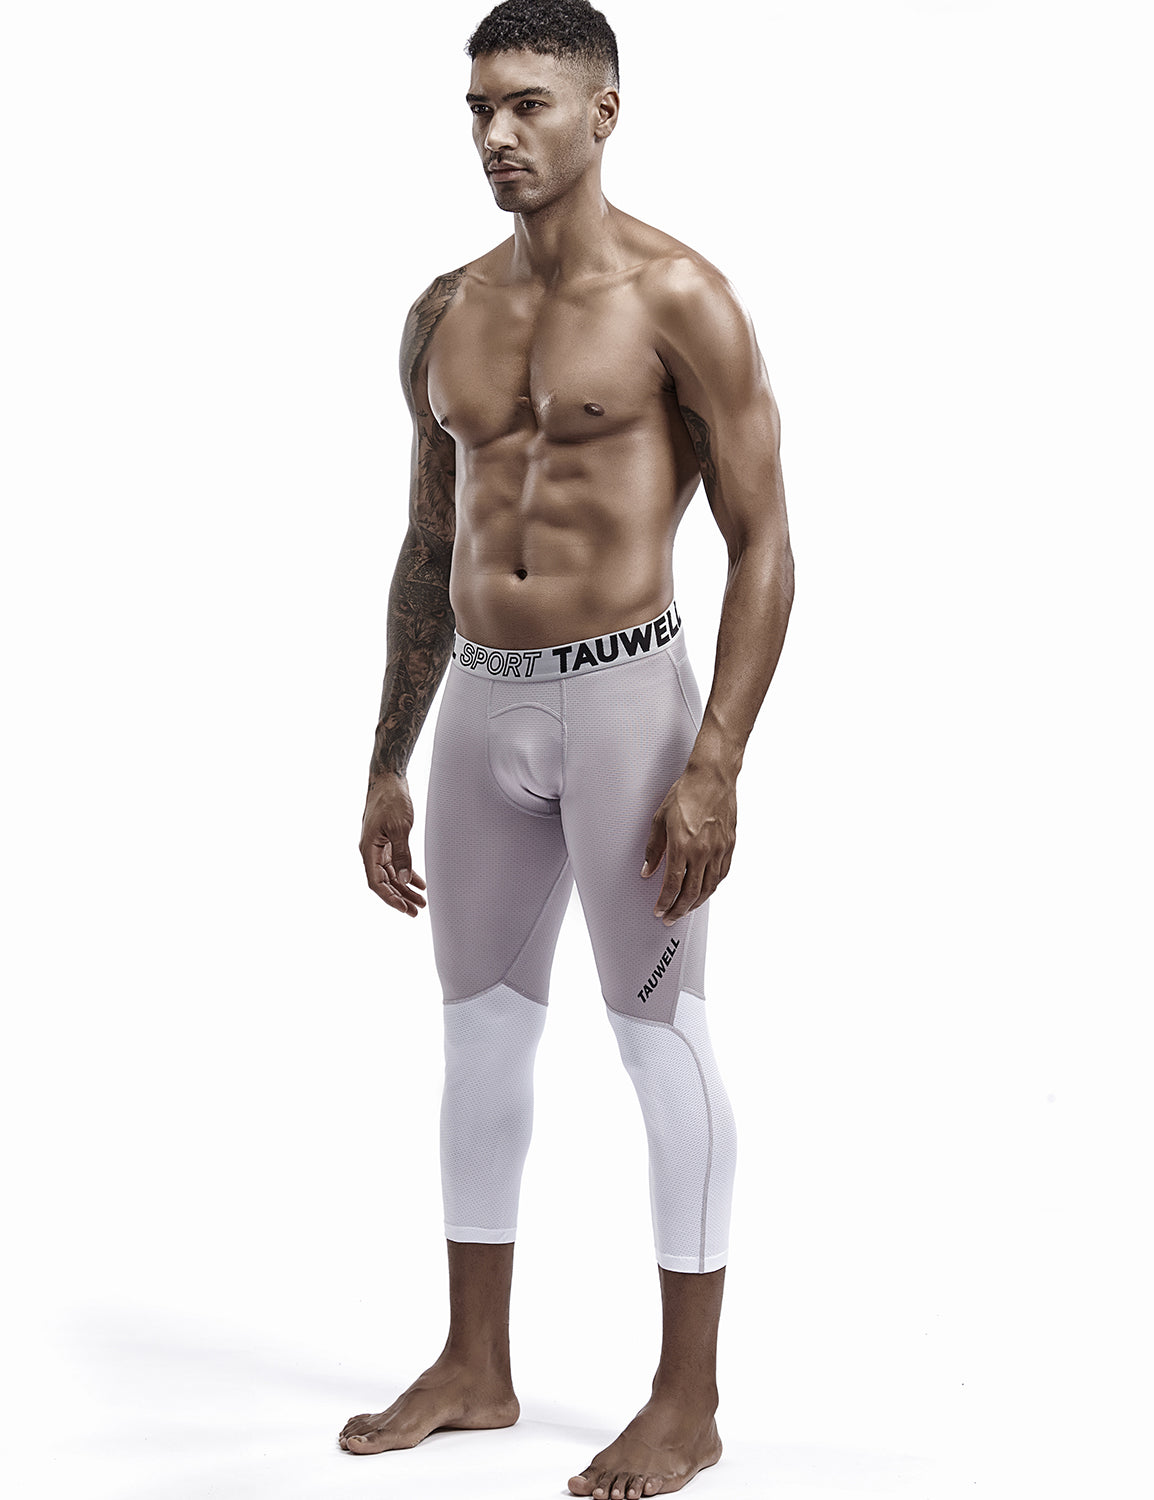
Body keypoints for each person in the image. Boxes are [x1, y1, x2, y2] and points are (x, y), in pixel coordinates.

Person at [338, 2, 794, 1495]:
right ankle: (475, 1364)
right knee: (479, 1033)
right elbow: (427, 542)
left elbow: (763, 541)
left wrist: (715, 759)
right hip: (480, 705)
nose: (497, 135)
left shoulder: (681, 296)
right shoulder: (442, 311)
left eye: (527, 104)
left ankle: (687, 1401)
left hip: (625, 708)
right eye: (479, 108)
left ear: (604, 111)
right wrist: (387, 754)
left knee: (660, 1036)